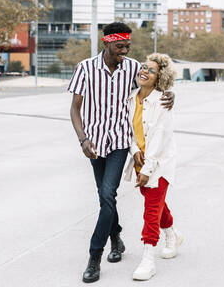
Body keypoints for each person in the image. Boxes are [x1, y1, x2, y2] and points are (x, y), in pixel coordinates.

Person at [68, 22, 174, 283]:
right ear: (106, 43)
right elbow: (75, 109)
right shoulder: (85, 68)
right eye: (119, 46)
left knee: (107, 194)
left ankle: (94, 257)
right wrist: (83, 140)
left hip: (119, 143)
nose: (124, 51)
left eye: (128, 46)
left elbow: (156, 81)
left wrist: (172, 93)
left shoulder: (132, 67)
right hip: (93, 144)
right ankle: (116, 239)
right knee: (105, 198)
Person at [122, 53, 183, 281]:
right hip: (139, 161)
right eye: (143, 67)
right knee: (156, 203)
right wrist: (134, 151)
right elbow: (127, 130)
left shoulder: (163, 102)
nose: (144, 71)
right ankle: (172, 233)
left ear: (160, 78)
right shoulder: (130, 98)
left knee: (150, 209)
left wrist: (148, 169)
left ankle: (148, 258)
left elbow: (159, 139)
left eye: (151, 70)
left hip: (159, 164)